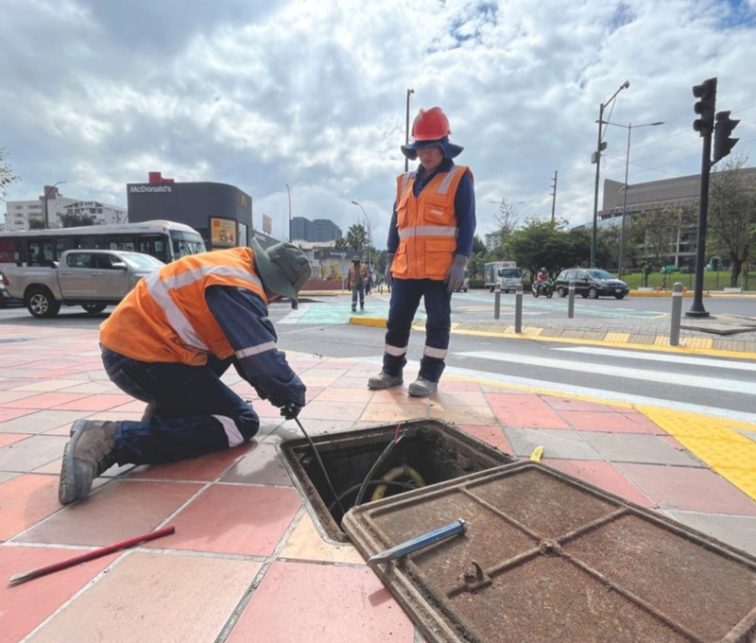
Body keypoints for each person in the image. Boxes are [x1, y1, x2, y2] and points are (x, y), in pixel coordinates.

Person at [58, 240, 311, 505]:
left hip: (138, 350)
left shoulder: (231, 265)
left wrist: (277, 393)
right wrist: (292, 391)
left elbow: (244, 355)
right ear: (274, 285)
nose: (275, 299)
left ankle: (164, 418)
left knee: (224, 355)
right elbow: (263, 361)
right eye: (279, 294)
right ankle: (108, 439)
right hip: (141, 359)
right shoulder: (238, 287)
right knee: (240, 423)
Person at [368, 106, 475, 397]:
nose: (426, 154)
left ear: (443, 147)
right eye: (421, 147)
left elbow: (467, 221)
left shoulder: (458, 177)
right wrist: (391, 257)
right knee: (397, 321)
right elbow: (396, 223)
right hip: (405, 268)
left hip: (440, 269)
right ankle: (391, 371)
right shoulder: (404, 182)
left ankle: (429, 377)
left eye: (431, 147)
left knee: (437, 323)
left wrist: (461, 261)